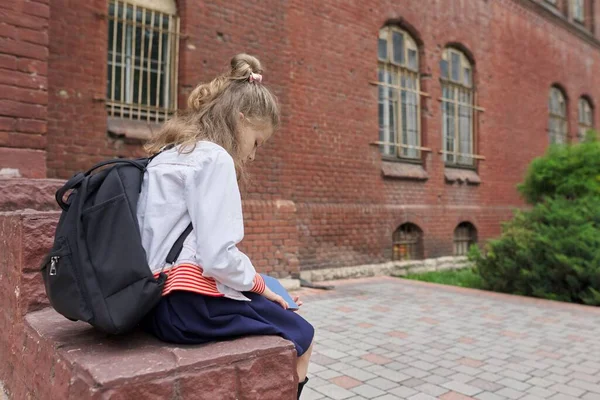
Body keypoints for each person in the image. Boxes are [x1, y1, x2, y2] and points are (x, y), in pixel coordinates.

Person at [137, 54, 314, 398]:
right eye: (257, 143)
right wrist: (261, 286)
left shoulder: (168, 154)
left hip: (149, 302)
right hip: (187, 308)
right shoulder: (214, 158)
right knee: (302, 334)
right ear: (240, 119)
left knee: (271, 288)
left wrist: (262, 285)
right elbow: (218, 258)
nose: (252, 155)